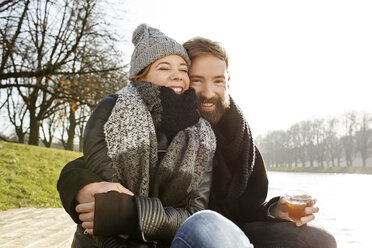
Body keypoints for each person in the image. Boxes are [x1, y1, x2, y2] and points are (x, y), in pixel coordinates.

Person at [58, 35, 337, 247]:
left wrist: (277, 210)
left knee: (319, 240)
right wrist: (81, 186)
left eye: (217, 81)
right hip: (179, 232)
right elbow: (86, 164)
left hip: (228, 233)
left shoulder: (241, 137)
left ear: (228, 81)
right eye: (197, 81)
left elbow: (248, 208)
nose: (208, 92)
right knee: (206, 223)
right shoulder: (158, 121)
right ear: (178, 85)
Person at [61, 23, 221, 247]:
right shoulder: (112, 111)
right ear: (139, 77)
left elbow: (194, 214)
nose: (177, 75)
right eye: (164, 68)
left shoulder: (202, 136)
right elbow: (106, 205)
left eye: (184, 69)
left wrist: (134, 216)